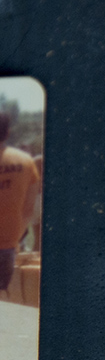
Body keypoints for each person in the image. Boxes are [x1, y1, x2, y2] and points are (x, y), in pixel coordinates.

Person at [0, 113, 41, 299]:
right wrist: (14, 239)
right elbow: (28, 209)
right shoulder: (26, 162)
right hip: (6, 246)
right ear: (7, 132)